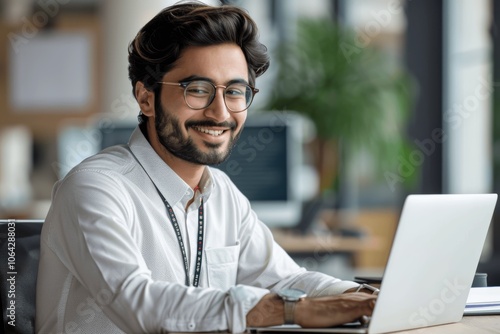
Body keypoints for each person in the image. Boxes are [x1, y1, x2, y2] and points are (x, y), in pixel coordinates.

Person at [36, 1, 377, 333]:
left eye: (235, 91)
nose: (221, 113)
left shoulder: (222, 193)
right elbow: (141, 306)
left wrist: (362, 297)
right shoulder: (95, 189)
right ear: (146, 98)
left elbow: (287, 279)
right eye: (197, 90)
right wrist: (290, 310)